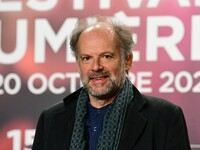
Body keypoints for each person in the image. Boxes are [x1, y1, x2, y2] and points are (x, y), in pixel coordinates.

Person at [32, 16, 191, 150]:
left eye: (106, 56)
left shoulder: (165, 118)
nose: (96, 67)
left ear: (127, 60)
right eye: (87, 58)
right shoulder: (51, 120)